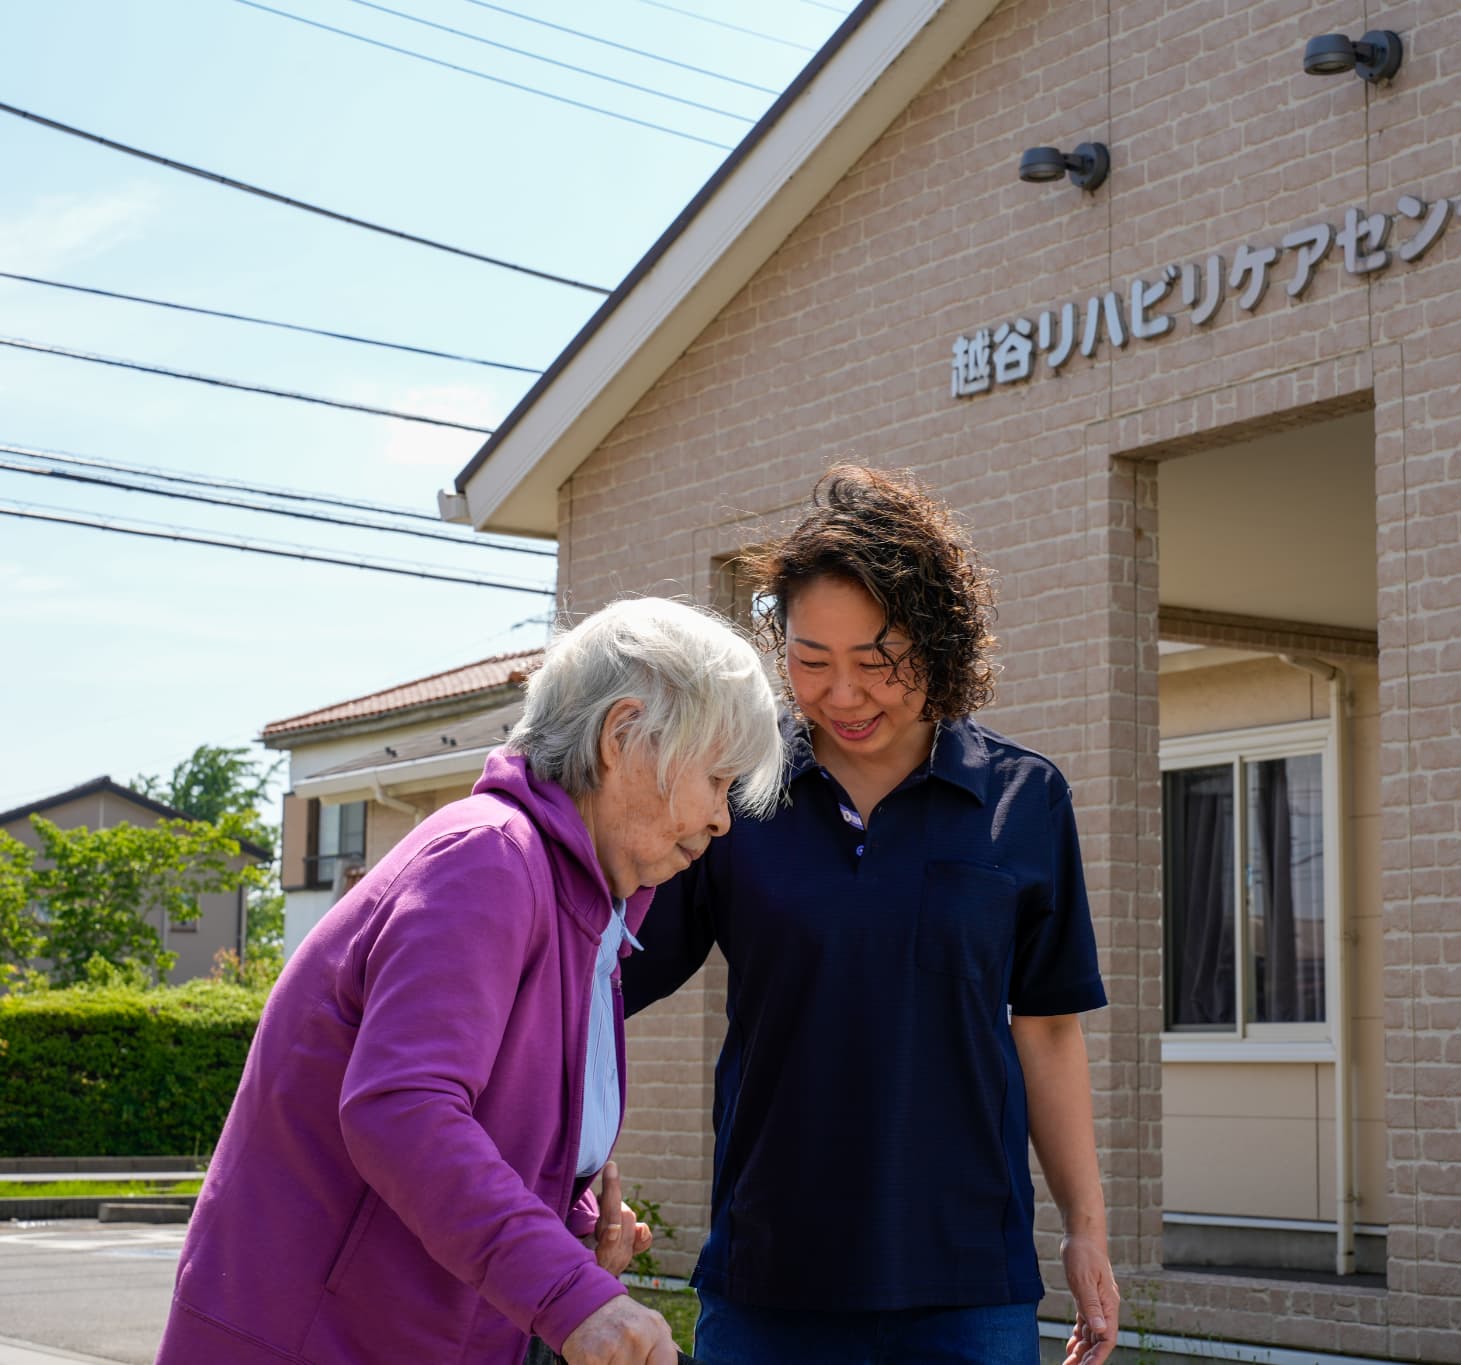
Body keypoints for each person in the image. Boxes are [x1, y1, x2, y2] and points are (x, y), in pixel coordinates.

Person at [156, 598, 784, 1365]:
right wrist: (567, 1294)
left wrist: (578, 1219)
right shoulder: (486, 858)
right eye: (718, 780)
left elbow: (490, 1130)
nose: (723, 819)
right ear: (623, 738)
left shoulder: (586, 908)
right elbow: (402, 1109)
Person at [624, 467, 1120, 1365]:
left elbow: (1046, 1028)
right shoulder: (734, 792)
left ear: (939, 643)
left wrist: (1085, 1227)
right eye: (812, 661)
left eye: (876, 661)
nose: (842, 694)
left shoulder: (1024, 799)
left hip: (968, 1283)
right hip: (769, 1277)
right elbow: (602, 981)